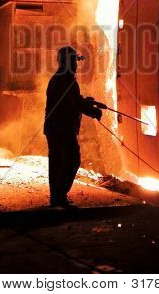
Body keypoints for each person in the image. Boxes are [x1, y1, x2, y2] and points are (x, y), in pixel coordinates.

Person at [44, 46, 102, 208]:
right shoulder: (63, 80)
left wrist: (87, 103)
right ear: (66, 62)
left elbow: (74, 100)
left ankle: (57, 198)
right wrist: (90, 109)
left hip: (57, 128)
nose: (76, 65)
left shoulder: (64, 79)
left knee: (58, 162)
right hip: (61, 128)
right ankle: (59, 197)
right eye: (73, 61)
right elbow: (71, 104)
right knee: (71, 160)